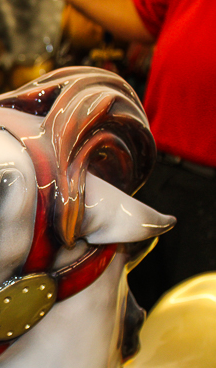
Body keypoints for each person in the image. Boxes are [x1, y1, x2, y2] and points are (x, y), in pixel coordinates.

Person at [65, 0, 216, 309]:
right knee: (134, 311)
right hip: (160, 168)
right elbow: (143, 18)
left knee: (195, 325)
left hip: (207, 184)